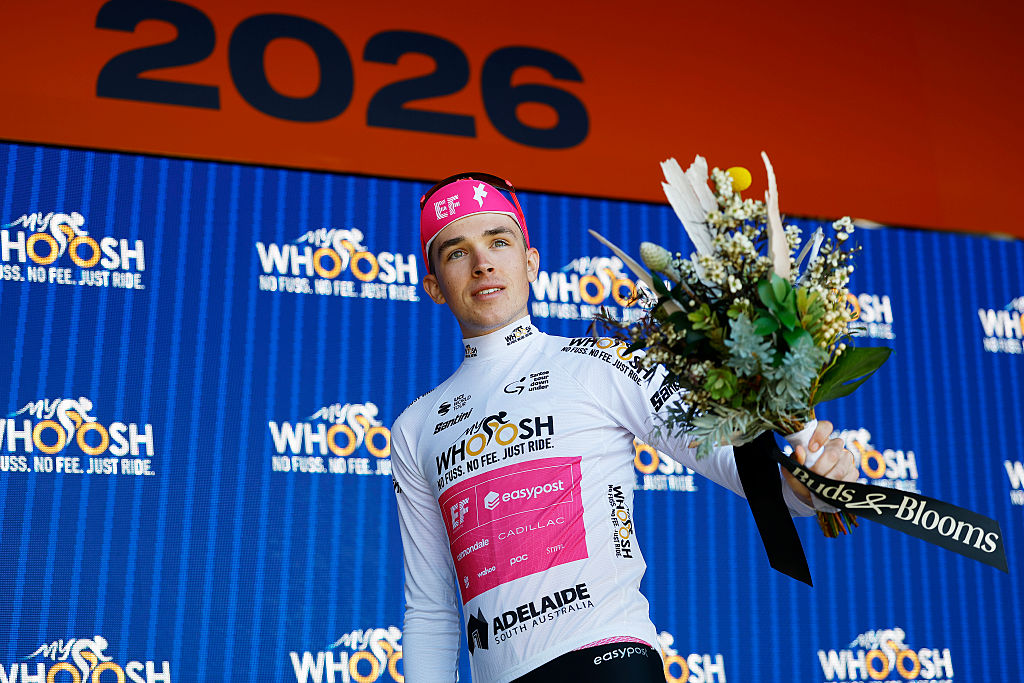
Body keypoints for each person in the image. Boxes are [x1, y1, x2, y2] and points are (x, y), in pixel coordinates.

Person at [390, 173, 858, 682]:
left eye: (499, 241)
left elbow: (732, 460)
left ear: (530, 263)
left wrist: (814, 483)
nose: (483, 263)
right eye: (457, 252)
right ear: (434, 285)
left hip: (610, 660)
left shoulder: (599, 361)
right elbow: (431, 609)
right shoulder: (415, 427)